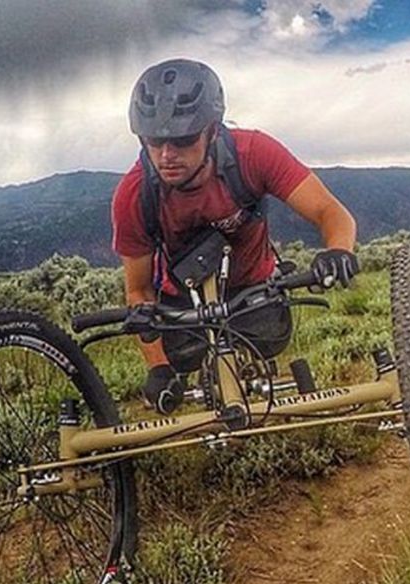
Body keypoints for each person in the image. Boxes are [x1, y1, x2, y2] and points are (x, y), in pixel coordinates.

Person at [111, 59, 359, 414]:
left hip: (256, 294)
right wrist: (158, 367)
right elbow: (138, 291)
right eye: (154, 141)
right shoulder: (134, 195)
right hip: (183, 308)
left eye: (182, 139)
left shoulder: (253, 154)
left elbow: (330, 212)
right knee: (177, 364)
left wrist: (338, 251)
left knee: (269, 336)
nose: (167, 155)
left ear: (212, 131)